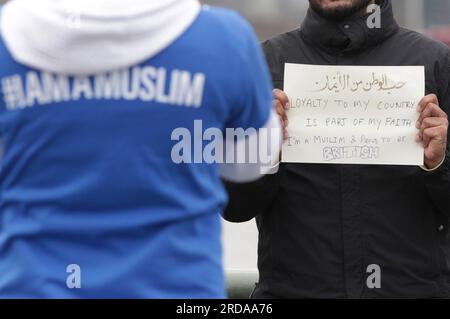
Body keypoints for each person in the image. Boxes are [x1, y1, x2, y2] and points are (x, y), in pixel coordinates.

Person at [0, 0, 281, 298]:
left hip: (33, 287)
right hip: (178, 288)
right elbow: (249, 166)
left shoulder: (7, 35)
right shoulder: (225, 39)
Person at [224, 0, 450, 298]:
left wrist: (440, 162)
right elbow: (233, 207)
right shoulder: (261, 65)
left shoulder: (438, 63)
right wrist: (260, 152)